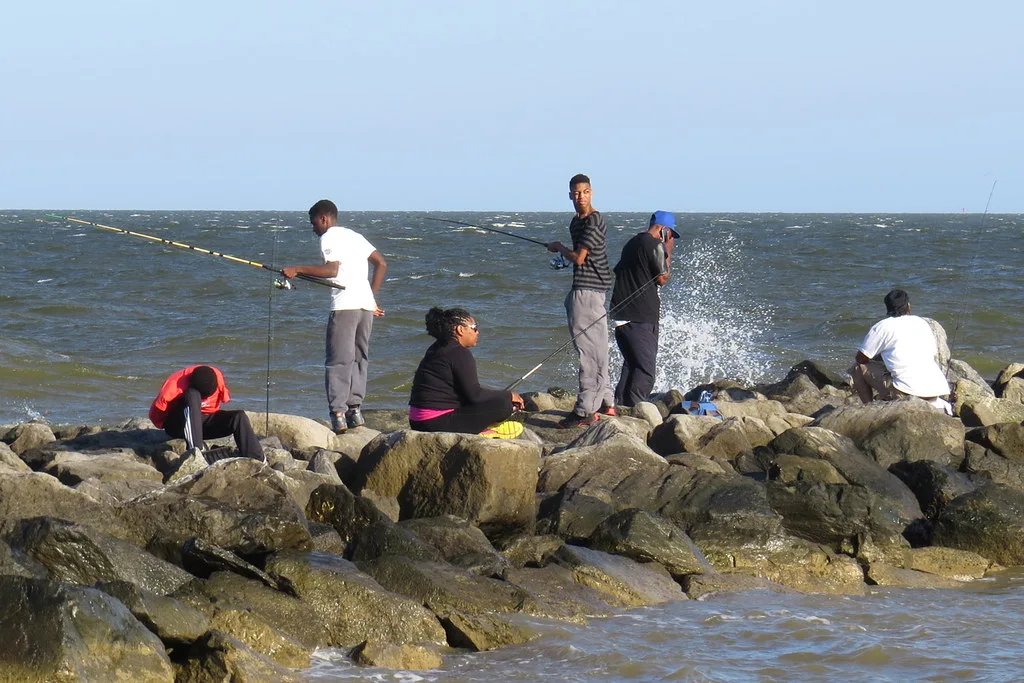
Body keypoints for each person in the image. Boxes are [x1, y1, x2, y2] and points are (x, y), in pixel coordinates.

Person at [282, 199, 387, 434]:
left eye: (313, 224)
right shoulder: (355, 236)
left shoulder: (329, 237)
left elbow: (331, 271)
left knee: (338, 359)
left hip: (344, 307)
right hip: (364, 307)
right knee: (360, 358)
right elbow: (381, 263)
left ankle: (338, 414)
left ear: (324, 219)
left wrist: (297, 269)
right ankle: (355, 410)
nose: (313, 229)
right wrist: (371, 296)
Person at [546, 173, 614, 428]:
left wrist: (559, 248)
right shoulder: (576, 222)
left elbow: (580, 258)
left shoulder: (594, 221)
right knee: (598, 348)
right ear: (570, 195)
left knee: (589, 351)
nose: (580, 197)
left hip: (589, 291)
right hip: (587, 290)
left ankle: (585, 409)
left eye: (584, 192)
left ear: (592, 192)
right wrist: (563, 252)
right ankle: (607, 402)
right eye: (576, 193)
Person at [409, 307, 526, 437]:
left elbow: (466, 392)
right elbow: (475, 395)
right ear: (460, 329)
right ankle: (484, 432)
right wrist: (508, 396)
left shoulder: (437, 347)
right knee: (503, 405)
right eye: (474, 327)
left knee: (495, 400)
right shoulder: (459, 352)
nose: (477, 332)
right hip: (435, 423)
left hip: (416, 421)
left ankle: (475, 425)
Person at [610, 210, 678, 407]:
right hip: (641, 318)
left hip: (623, 317)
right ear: (664, 231)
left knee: (631, 366)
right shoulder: (655, 245)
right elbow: (662, 278)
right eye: (671, 234)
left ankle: (620, 406)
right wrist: (668, 251)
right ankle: (637, 409)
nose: (672, 238)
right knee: (646, 371)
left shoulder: (632, 243)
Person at [851, 289, 952, 413]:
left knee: (858, 368)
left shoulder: (882, 327)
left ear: (887, 308)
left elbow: (861, 358)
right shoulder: (922, 323)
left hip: (907, 391)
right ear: (908, 306)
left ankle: (870, 411)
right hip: (936, 389)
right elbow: (931, 352)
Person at [149, 365, 265, 463]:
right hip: (178, 424)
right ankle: (197, 453)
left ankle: (258, 460)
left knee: (239, 416)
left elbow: (222, 401)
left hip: (202, 421)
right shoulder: (174, 384)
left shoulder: (217, 377)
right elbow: (156, 417)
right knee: (192, 395)